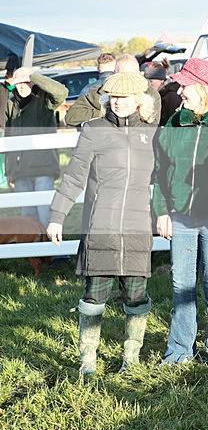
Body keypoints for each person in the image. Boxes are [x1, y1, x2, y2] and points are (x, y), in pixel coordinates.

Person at [46, 73, 157, 375]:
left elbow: (165, 180)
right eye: (114, 97)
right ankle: (88, 362)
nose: (119, 102)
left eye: (125, 97)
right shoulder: (93, 130)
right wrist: (57, 216)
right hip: (101, 226)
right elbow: (74, 175)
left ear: (138, 99)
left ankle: (131, 359)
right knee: (95, 296)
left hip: (137, 228)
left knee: (136, 296)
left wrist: (166, 212)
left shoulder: (152, 132)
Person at [154, 58, 208, 370]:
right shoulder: (174, 123)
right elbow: (160, 169)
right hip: (181, 216)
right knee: (181, 284)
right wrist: (162, 211)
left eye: (184, 86)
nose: (180, 92)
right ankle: (179, 350)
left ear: (204, 89)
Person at [3, 66, 67, 227]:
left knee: (45, 213)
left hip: (43, 168)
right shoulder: (11, 103)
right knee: (27, 217)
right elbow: (9, 136)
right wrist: (9, 169)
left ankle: (50, 250)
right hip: (20, 170)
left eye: (26, 81)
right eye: (19, 82)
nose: (23, 85)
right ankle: (33, 251)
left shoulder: (44, 100)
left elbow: (62, 92)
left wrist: (35, 76)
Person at [65, 54, 161, 127]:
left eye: (130, 76)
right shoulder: (99, 92)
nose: (125, 80)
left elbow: (152, 125)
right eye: (121, 75)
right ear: (114, 74)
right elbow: (71, 117)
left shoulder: (150, 94)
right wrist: (106, 114)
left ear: (139, 74)